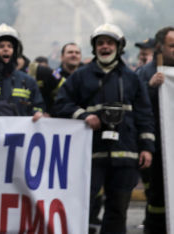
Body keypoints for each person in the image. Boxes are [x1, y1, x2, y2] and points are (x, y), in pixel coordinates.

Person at [52, 23, 155, 233]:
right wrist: (84, 115)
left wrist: (146, 147)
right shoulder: (80, 77)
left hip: (126, 155)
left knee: (117, 211)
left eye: (109, 43)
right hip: (90, 156)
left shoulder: (132, 78)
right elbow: (60, 104)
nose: (105, 47)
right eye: (100, 43)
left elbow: (144, 114)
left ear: (119, 47)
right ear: (94, 47)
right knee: (82, 208)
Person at [136, 26, 174, 233]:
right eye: (172, 45)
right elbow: (136, 109)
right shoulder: (144, 74)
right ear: (160, 47)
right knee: (157, 198)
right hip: (157, 149)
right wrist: (150, 88)